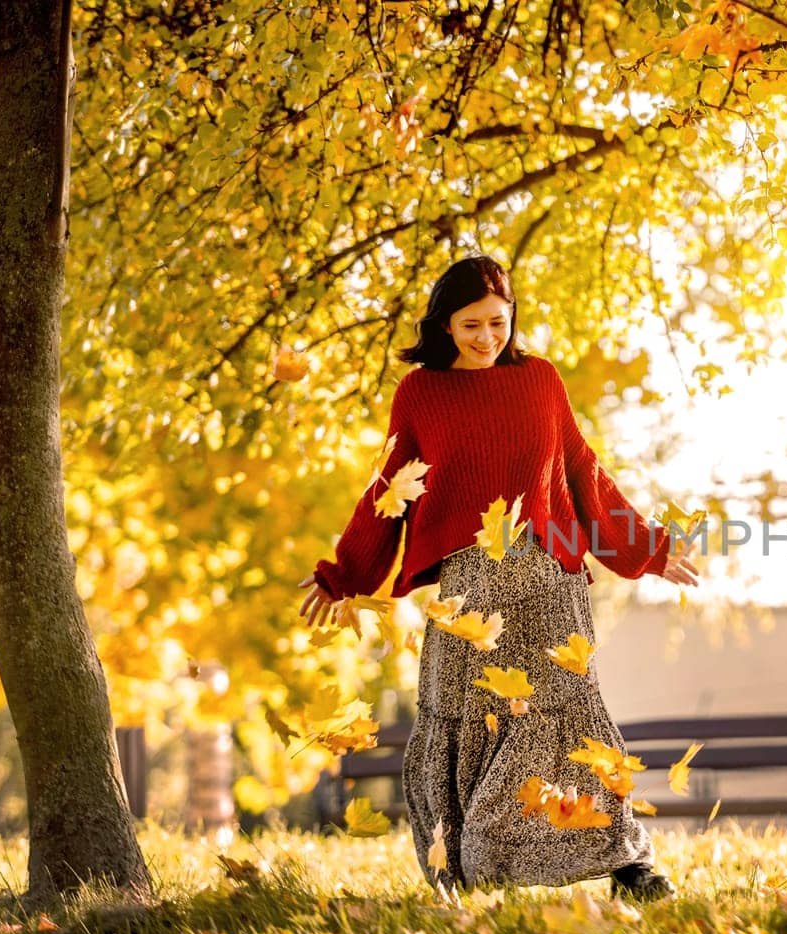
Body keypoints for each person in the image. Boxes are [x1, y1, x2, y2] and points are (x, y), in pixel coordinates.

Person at [297, 254, 699, 901]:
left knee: (571, 723)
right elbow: (390, 492)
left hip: (549, 582)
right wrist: (343, 572)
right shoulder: (421, 393)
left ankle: (631, 865)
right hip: (469, 593)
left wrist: (647, 547)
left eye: (498, 322)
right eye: (472, 325)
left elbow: (583, 471)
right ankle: (473, 861)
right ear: (445, 326)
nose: (488, 338)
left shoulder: (540, 381)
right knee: (467, 722)